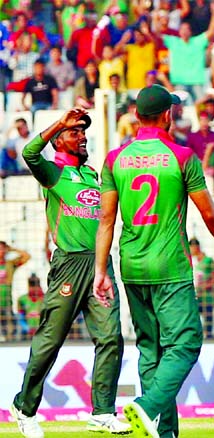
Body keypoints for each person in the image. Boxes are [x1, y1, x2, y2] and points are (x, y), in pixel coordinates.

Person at [93, 84, 214, 438]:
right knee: (187, 342)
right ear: (166, 116)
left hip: (131, 264)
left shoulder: (114, 159)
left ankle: (164, 431)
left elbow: (106, 220)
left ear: (136, 117)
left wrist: (101, 270)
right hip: (170, 265)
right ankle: (147, 408)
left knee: (150, 349)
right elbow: (209, 213)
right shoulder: (182, 156)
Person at [10, 108, 130, 437]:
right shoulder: (53, 172)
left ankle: (103, 412)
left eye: (83, 132)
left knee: (110, 338)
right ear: (60, 140)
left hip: (100, 264)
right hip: (69, 265)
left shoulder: (93, 174)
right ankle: (24, 406)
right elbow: (29, 152)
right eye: (75, 132)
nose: (82, 136)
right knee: (50, 341)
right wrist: (59, 122)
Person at [189, 238, 214, 339]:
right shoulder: (193, 262)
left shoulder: (208, 261)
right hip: (197, 297)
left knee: (208, 320)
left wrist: (203, 286)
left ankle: (209, 339)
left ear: (196, 247)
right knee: (193, 318)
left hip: (208, 297)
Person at [0, 241, 30, 341]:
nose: (1, 251)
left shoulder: (10, 264)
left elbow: (26, 256)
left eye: (3, 248)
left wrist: (12, 249)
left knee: (9, 325)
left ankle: (9, 341)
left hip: (6, 301)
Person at [17, 274, 44, 339]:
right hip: (27, 334)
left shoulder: (45, 299)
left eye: (36, 285)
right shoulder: (22, 299)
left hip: (42, 332)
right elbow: (20, 317)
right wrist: (27, 329)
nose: (34, 288)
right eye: (32, 285)